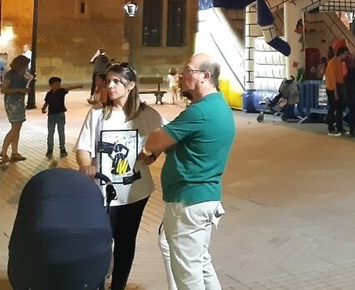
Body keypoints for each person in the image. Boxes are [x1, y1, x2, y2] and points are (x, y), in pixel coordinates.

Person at [143, 54, 236, 290]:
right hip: (206, 197)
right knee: (201, 263)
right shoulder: (218, 107)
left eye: (188, 71)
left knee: (188, 274)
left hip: (188, 201)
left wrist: (158, 136)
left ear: (206, 76)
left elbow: (155, 140)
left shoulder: (199, 112)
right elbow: (183, 142)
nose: (182, 76)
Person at [76, 63, 165, 290]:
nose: (111, 86)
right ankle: (96, 282)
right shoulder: (97, 113)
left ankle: (118, 285)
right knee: (101, 241)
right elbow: (83, 148)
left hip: (135, 192)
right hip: (102, 193)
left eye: (117, 81)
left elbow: (162, 140)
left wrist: (152, 155)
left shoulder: (148, 115)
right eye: (109, 81)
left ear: (131, 85)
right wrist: (86, 165)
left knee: (126, 241)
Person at [0, 55, 32, 163]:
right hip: (12, 103)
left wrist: (26, 85)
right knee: (15, 128)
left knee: (17, 128)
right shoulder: (10, 75)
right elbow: (3, 89)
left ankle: (15, 152)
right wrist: (18, 89)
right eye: (26, 65)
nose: (27, 67)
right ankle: (3, 152)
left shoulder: (21, 74)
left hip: (19, 102)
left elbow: (23, 85)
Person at [41, 76, 82, 158]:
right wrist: (43, 109)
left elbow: (69, 88)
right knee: (50, 134)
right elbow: (47, 102)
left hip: (60, 114)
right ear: (51, 85)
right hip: (51, 115)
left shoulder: (61, 91)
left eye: (59, 83)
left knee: (61, 133)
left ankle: (62, 149)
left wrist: (78, 86)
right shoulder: (49, 94)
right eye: (56, 83)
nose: (58, 85)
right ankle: (50, 150)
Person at [324, 46, 349, 136]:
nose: (346, 56)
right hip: (332, 88)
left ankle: (340, 127)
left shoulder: (339, 63)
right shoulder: (332, 63)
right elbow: (332, 78)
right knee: (332, 108)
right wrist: (335, 91)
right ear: (341, 53)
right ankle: (331, 128)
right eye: (345, 54)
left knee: (340, 108)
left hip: (339, 86)